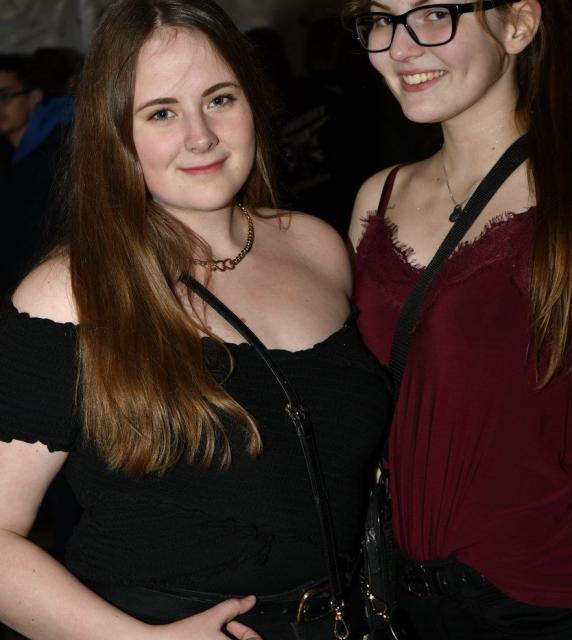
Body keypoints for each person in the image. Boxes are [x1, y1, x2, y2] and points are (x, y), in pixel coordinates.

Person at [0, 1, 390, 639]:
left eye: (219, 99)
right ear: (115, 134)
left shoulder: (318, 247)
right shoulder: (71, 292)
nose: (201, 136)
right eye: (161, 112)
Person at [344, 0, 572, 637]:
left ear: (519, 24)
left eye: (433, 14)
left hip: (559, 601)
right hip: (406, 605)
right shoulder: (377, 197)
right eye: (380, 19)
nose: (399, 48)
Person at [0, 53, 74, 296]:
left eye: (5, 96)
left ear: (34, 97)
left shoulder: (60, 152)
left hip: (46, 287)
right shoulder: (10, 154)